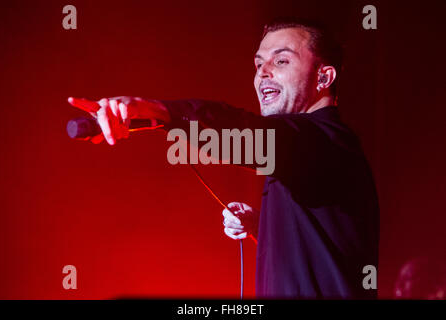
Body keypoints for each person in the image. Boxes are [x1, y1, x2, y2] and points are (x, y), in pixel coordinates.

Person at [68, 18, 379, 299]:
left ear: (323, 77)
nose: (263, 73)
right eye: (258, 65)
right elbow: (323, 254)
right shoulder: (302, 154)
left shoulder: (326, 140)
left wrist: (159, 110)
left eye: (281, 60)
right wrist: (263, 226)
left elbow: (242, 133)